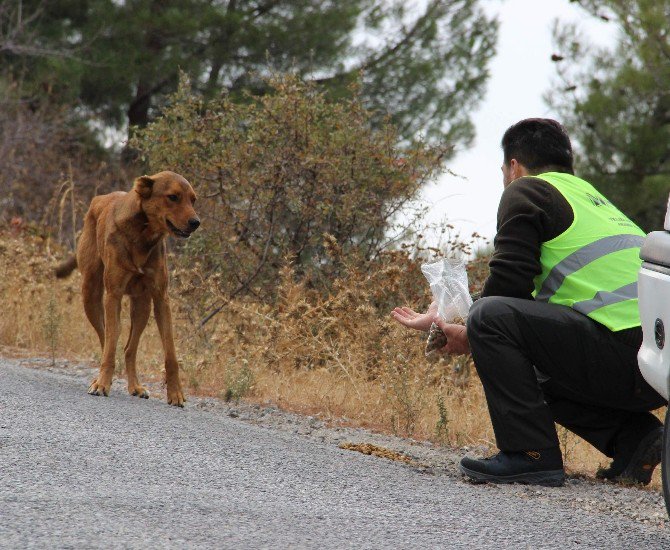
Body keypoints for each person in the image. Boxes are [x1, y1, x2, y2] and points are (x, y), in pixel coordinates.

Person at [392, 118, 667, 487]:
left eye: (505, 171)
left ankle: (529, 455)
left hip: (624, 355)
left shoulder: (527, 191)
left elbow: (505, 290)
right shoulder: (597, 203)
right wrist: (457, 318)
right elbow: (527, 306)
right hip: (655, 366)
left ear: (514, 166)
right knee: (503, 330)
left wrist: (471, 327)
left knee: (490, 318)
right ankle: (635, 439)